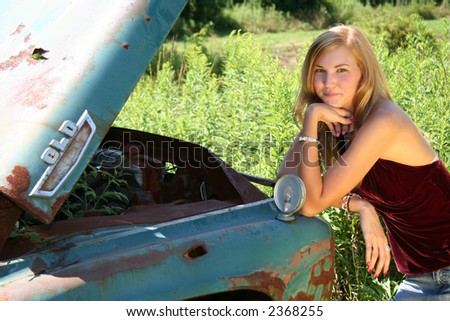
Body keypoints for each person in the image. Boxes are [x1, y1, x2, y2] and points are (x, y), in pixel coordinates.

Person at [277, 25, 450, 300]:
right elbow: (286, 181)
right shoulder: (337, 119)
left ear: (364, 74)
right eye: (320, 70)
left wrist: (311, 117)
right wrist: (359, 204)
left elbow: (310, 203)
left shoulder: (383, 121)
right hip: (421, 276)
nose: (328, 81)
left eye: (341, 70)